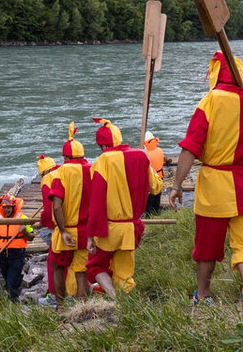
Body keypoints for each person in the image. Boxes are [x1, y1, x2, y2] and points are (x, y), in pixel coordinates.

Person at [171, 52, 243, 304]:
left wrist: (176, 185)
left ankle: (203, 295)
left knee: (207, 245)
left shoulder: (210, 101)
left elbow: (191, 147)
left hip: (214, 185)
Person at [84, 118, 163, 295]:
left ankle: (114, 298)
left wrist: (90, 235)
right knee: (124, 274)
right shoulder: (141, 156)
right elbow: (156, 187)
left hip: (110, 228)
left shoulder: (102, 161)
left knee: (95, 266)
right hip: (130, 228)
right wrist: (147, 160)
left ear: (102, 145)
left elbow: (96, 202)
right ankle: (126, 301)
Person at [48, 123, 93, 299]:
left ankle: (60, 307)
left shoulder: (61, 172)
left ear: (65, 156)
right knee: (81, 272)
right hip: (86, 231)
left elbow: (56, 205)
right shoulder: (92, 169)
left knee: (58, 267)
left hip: (67, 230)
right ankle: (83, 307)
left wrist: (63, 231)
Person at [0, 192, 35, 301]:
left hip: (17, 255)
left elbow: (31, 237)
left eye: (9, 207)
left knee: (12, 283)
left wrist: (25, 232)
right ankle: (11, 300)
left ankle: (13, 302)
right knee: (7, 281)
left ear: (13, 207)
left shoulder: (22, 218)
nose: (6, 210)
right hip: (2, 254)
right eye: (4, 207)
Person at [34, 153, 61, 307]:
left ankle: (55, 297)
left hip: (61, 227)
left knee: (54, 262)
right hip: (79, 222)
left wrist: (42, 223)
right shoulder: (64, 172)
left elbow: (49, 209)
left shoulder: (47, 180)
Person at [143, 131, 166, 216]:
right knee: (157, 198)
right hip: (160, 178)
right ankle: (156, 213)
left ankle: (148, 216)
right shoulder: (160, 150)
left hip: (151, 180)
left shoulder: (145, 154)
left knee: (149, 200)